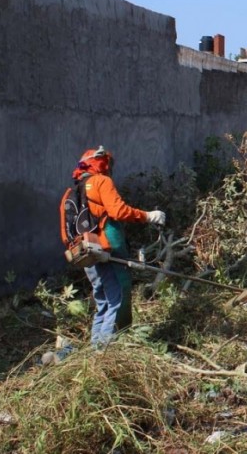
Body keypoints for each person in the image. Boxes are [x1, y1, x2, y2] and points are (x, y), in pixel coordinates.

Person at [60, 146, 166, 347]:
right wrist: (148, 216)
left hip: (85, 253)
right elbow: (118, 211)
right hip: (107, 249)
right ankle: (109, 348)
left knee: (102, 301)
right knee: (117, 297)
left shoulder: (70, 195)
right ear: (101, 164)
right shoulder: (101, 181)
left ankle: (96, 347)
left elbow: (66, 235)